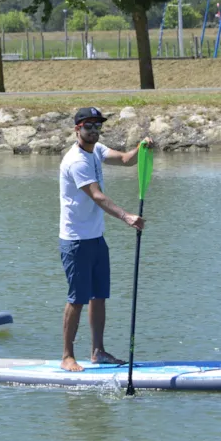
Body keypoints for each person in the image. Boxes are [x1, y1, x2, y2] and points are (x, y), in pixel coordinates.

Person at [58, 107, 152, 372]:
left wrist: (141, 148)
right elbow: (97, 196)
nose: (94, 131)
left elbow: (125, 159)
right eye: (89, 127)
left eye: (98, 126)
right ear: (77, 129)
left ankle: (97, 352)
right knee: (77, 299)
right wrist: (127, 217)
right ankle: (67, 356)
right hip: (76, 241)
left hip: (96, 239)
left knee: (99, 296)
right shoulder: (77, 161)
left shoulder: (96, 150)